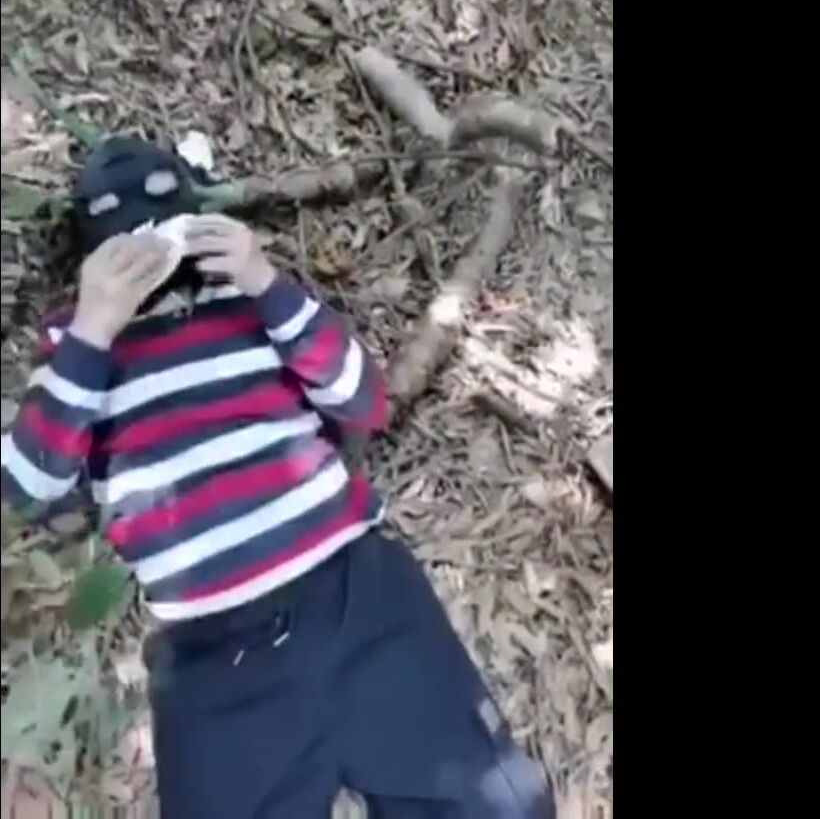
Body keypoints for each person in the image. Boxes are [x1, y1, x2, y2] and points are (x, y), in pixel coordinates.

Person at [0, 137, 554, 819]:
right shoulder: (76, 341)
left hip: (357, 593)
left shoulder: (246, 298)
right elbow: (29, 488)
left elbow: (363, 399)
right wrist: (93, 327)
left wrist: (265, 282)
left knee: (489, 806)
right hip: (213, 655)